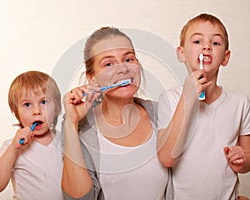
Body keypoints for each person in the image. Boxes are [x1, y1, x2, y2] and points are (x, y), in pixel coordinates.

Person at [61, 27, 173, 200]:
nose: (123, 69)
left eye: (128, 59)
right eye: (108, 64)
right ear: (92, 78)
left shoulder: (163, 113)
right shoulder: (81, 128)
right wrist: (71, 123)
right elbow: (78, 198)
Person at [157, 13, 250, 199]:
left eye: (216, 43)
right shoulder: (169, 99)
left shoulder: (240, 103)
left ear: (225, 57)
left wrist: (243, 159)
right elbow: (167, 158)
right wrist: (187, 99)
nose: (206, 47)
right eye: (197, 41)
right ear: (182, 53)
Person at [0, 71, 63, 200]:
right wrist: (13, 149)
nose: (36, 111)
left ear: (56, 107)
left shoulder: (66, 141)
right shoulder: (11, 147)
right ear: (17, 112)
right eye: (27, 105)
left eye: (44, 102)